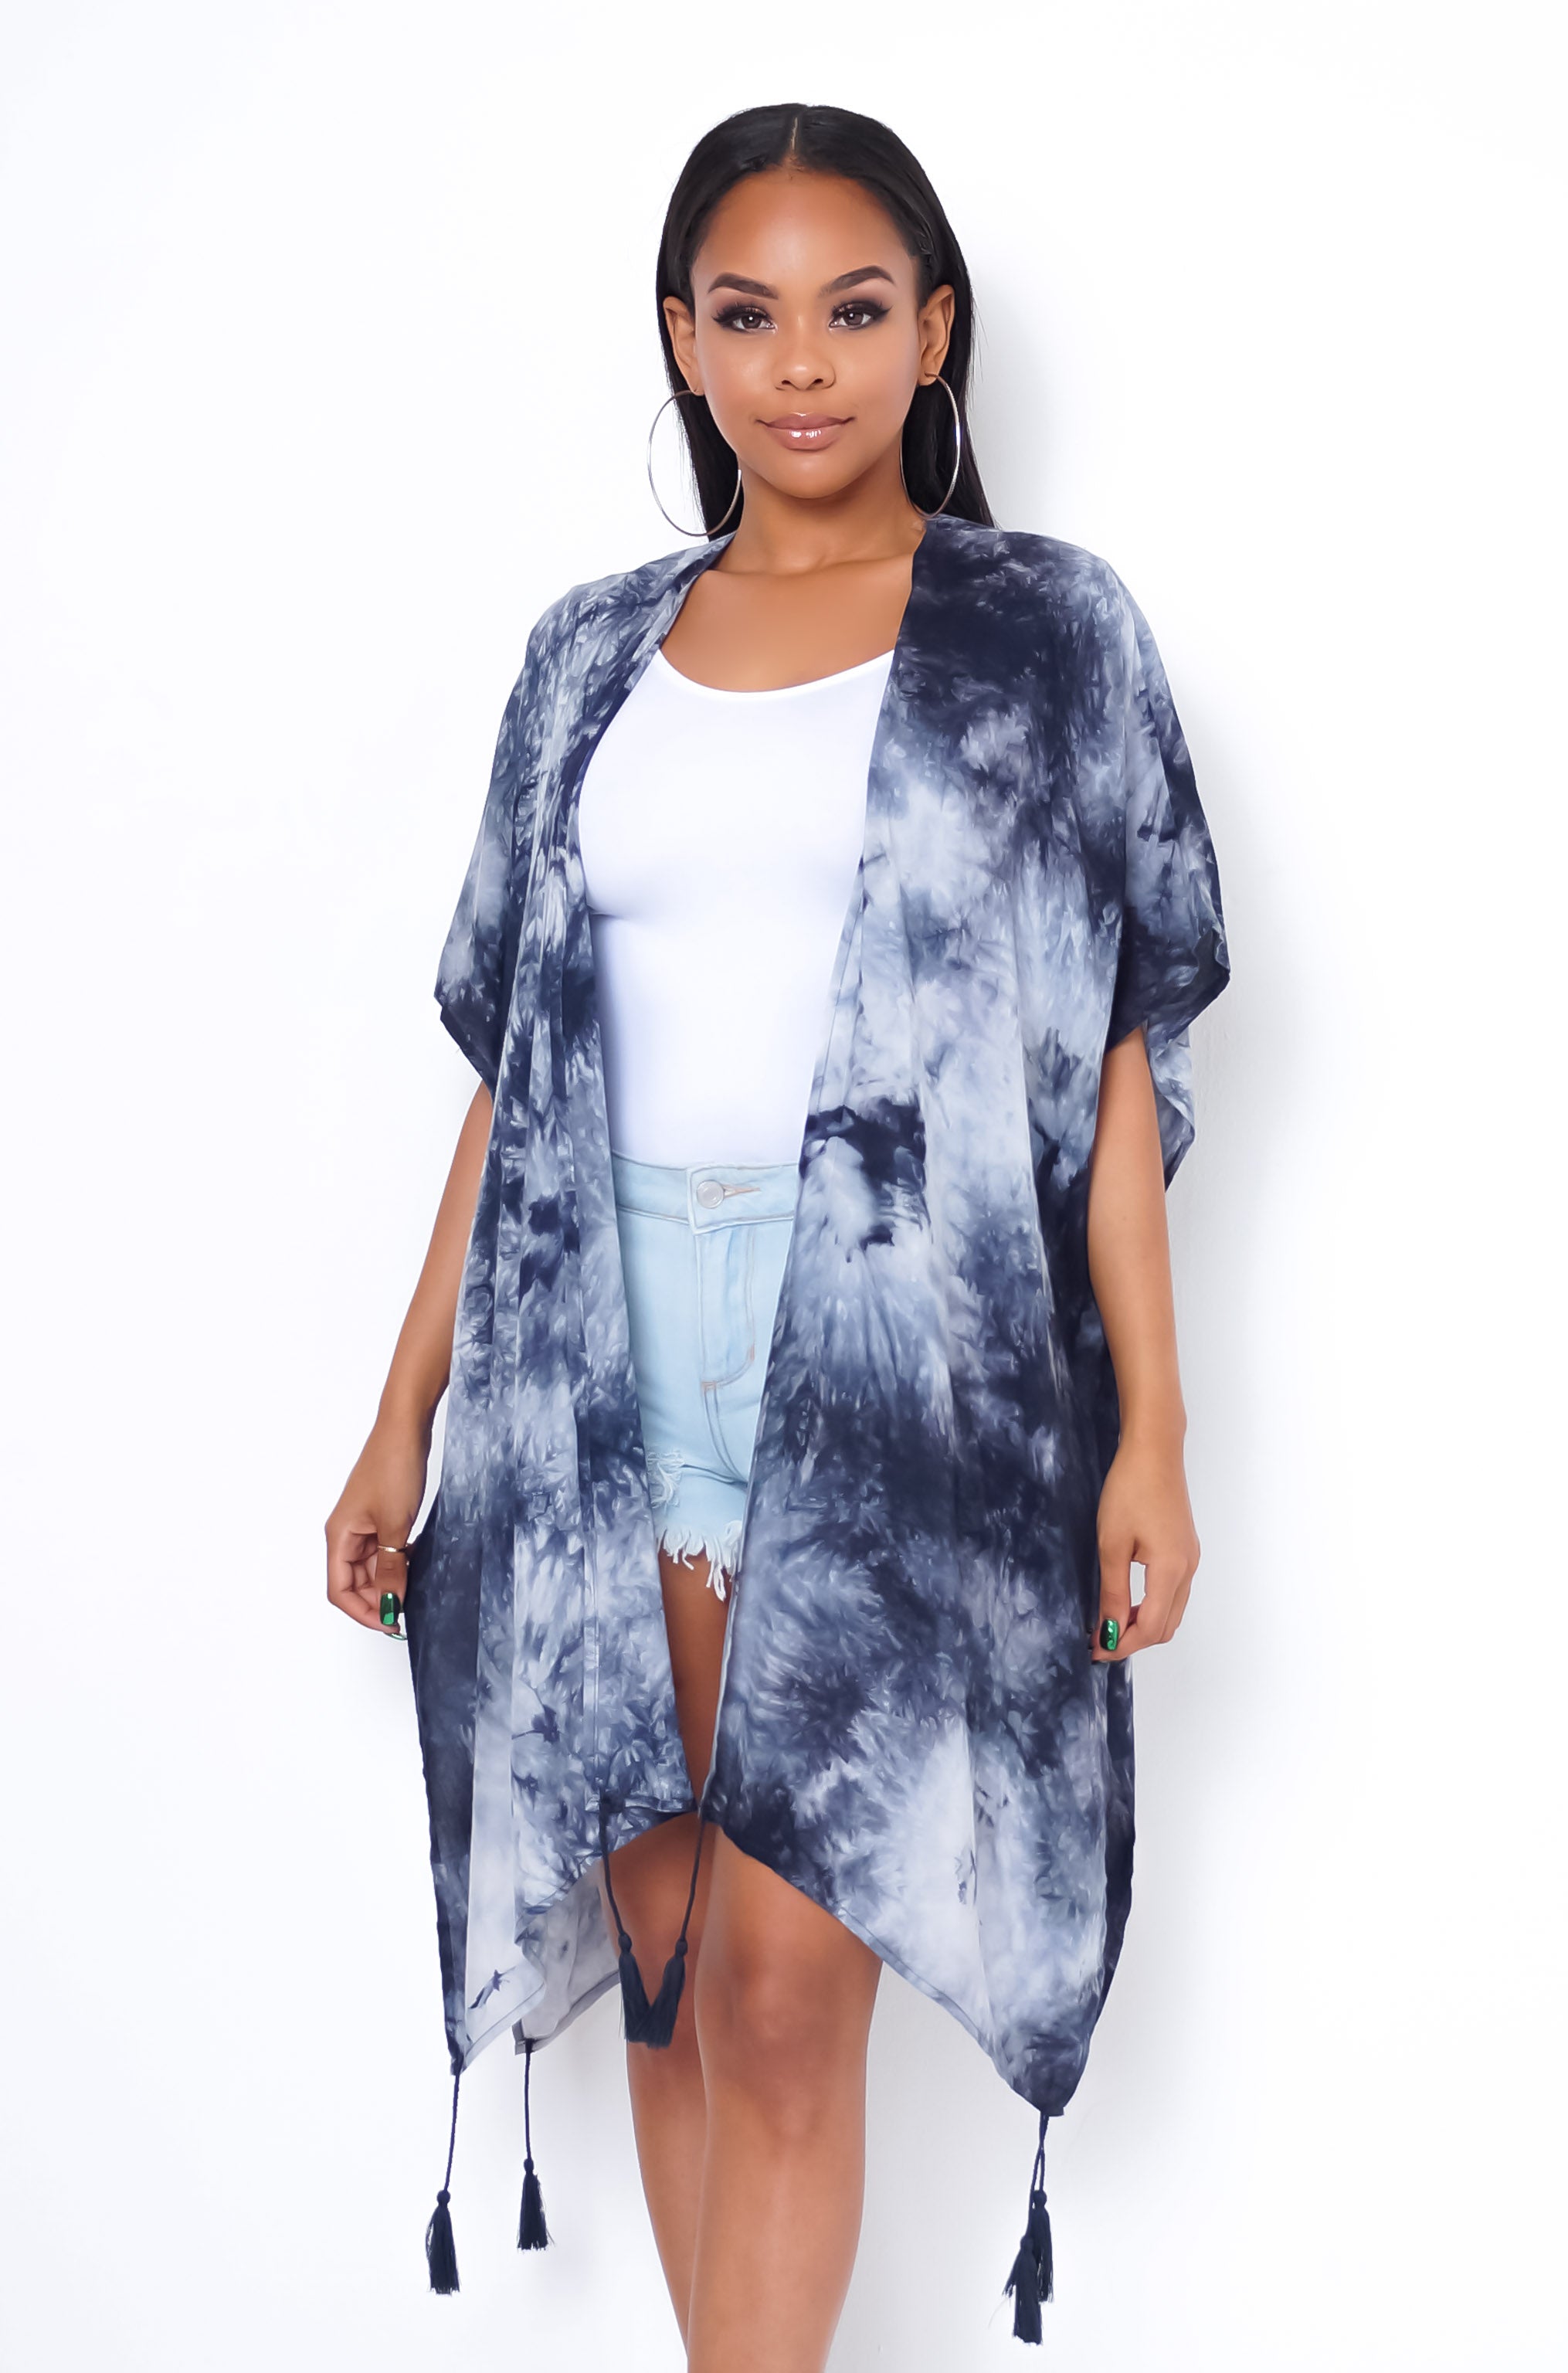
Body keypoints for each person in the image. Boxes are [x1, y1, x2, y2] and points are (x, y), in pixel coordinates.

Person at [326, 100, 1228, 2372]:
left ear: (936, 332)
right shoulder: (588, 658)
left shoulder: (1047, 637)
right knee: (672, 1983)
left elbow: (1109, 1057)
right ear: (683, 341)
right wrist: (399, 1416)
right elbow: (516, 1079)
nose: (800, 364)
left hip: (907, 1369)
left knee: (789, 1984)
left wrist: (1155, 1431)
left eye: (853, 309)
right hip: (590, 1368)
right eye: (747, 315)